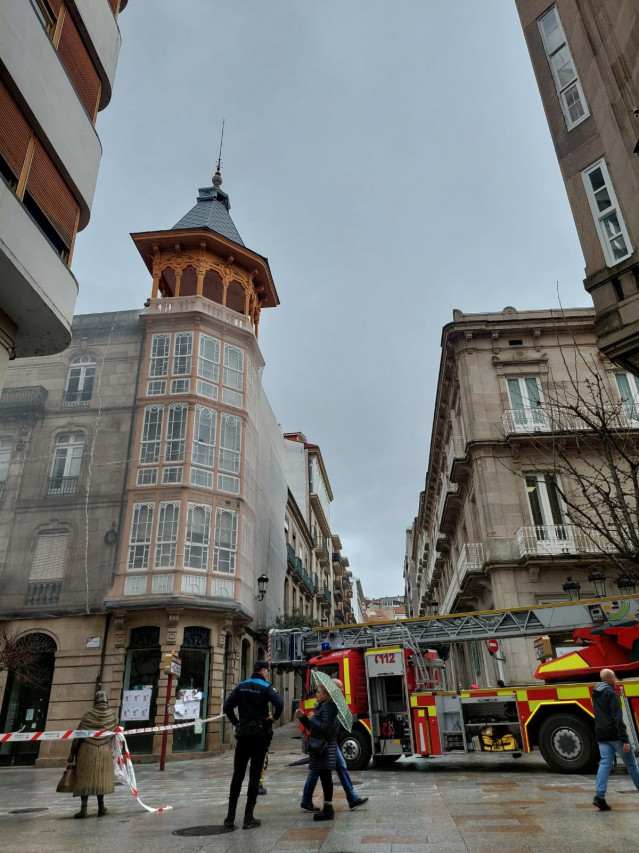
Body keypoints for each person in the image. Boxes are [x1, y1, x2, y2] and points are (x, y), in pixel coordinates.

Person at [223, 660, 283, 829]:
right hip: (259, 735)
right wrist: (274, 718)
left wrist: (237, 724)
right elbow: (279, 703)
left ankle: (230, 818)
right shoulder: (266, 687)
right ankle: (248, 817)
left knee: (238, 775)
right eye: (267, 671)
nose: (267, 674)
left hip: (243, 735)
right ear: (263, 671)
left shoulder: (241, 686)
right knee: (255, 775)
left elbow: (227, 707)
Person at [299, 678, 368, 812]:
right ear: (332, 690)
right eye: (340, 687)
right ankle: (315, 802)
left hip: (330, 743)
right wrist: (308, 719)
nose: (343, 690)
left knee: (338, 767)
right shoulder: (326, 706)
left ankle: (351, 798)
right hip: (326, 744)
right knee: (320, 771)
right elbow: (323, 727)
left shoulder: (333, 704)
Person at [592, 667, 639, 810]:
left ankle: (599, 796)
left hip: (602, 735)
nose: (616, 680)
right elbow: (617, 719)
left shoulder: (595, 693)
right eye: (615, 678)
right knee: (632, 765)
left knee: (605, 763)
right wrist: (624, 740)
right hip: (615, 735)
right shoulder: (612, 694)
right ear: (612, 679)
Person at [67, 689, 118, 819]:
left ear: (95, 700)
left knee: (84, 778)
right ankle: (101, 807)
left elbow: (79, 735)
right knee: (100, 779)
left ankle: (83, 809)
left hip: (87, 749)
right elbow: (114, 735)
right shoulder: (112, 715)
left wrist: (72, 753)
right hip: (104, 750)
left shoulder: (88, 714)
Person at [294, 681, 340, 821]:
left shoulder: (326, 708)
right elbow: (313, 728)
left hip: (324, 748)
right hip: (320, 749)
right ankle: (327, 808)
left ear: (325, 695)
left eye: (319, 692)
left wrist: (313, 719)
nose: (316, 694)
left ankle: (328, 809)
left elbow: (326, 728)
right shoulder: (322, 707)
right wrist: (302, 717)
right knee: (324, 777)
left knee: (326, 778)